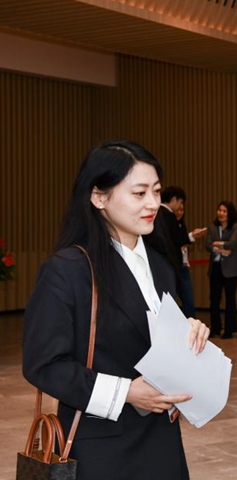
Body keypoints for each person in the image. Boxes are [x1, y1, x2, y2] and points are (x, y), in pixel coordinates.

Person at [22, 140, 211, 480]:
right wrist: (126, 392)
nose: (153, 203)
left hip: (163, 442)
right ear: (99, 197)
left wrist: (191, 334)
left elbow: (157, 341)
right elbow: (44, 365)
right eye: (139, 194)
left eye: (156, 191)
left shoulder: (159, 264)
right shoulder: (68, 270)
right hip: (103, 449)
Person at [153, 186, 207, 317]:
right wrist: (191, 236)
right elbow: (176, 239)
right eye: (181, 202)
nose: (180, 206)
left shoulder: (156, 213)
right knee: (176, 298)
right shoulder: (168, 215)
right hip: (170, 264)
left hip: (160, 264)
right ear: (174, 199)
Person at [205, 201, 237, 339]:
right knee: (214, 298)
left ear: (229, 214)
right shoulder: (212, 227)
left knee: (230, 299)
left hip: (230, 269)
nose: (221, 213)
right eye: (219, 210)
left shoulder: (235, 227)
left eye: (224, 211)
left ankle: (229, 330)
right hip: (215, 267)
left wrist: (218, 243)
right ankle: (215, 327)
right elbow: (207, 245)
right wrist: (220, 249)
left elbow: (232, 244)